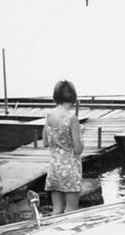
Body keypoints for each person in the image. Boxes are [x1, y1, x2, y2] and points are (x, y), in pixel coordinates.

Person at [43, 80, 84, 215]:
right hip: (70, 169)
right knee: (71, 211)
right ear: (73, 97)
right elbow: (78, 149)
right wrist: (81, 134)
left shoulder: (49, 116)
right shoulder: (72, 118)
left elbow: (45, 142)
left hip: (54, 167)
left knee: (57, 210)